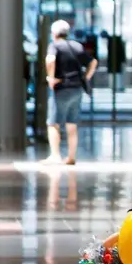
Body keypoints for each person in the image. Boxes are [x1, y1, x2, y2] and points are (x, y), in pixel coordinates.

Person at [44, 19, 97, 165]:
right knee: (72, 123)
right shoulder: (76, 46)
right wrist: (86, 77)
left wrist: (51, 77)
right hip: (77, 88)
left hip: (61, 88)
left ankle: (55, 156)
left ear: (54, 33)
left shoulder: (54, 45)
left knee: (53, 123)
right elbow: (93, 62)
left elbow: (50, 60)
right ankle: (71, 157)